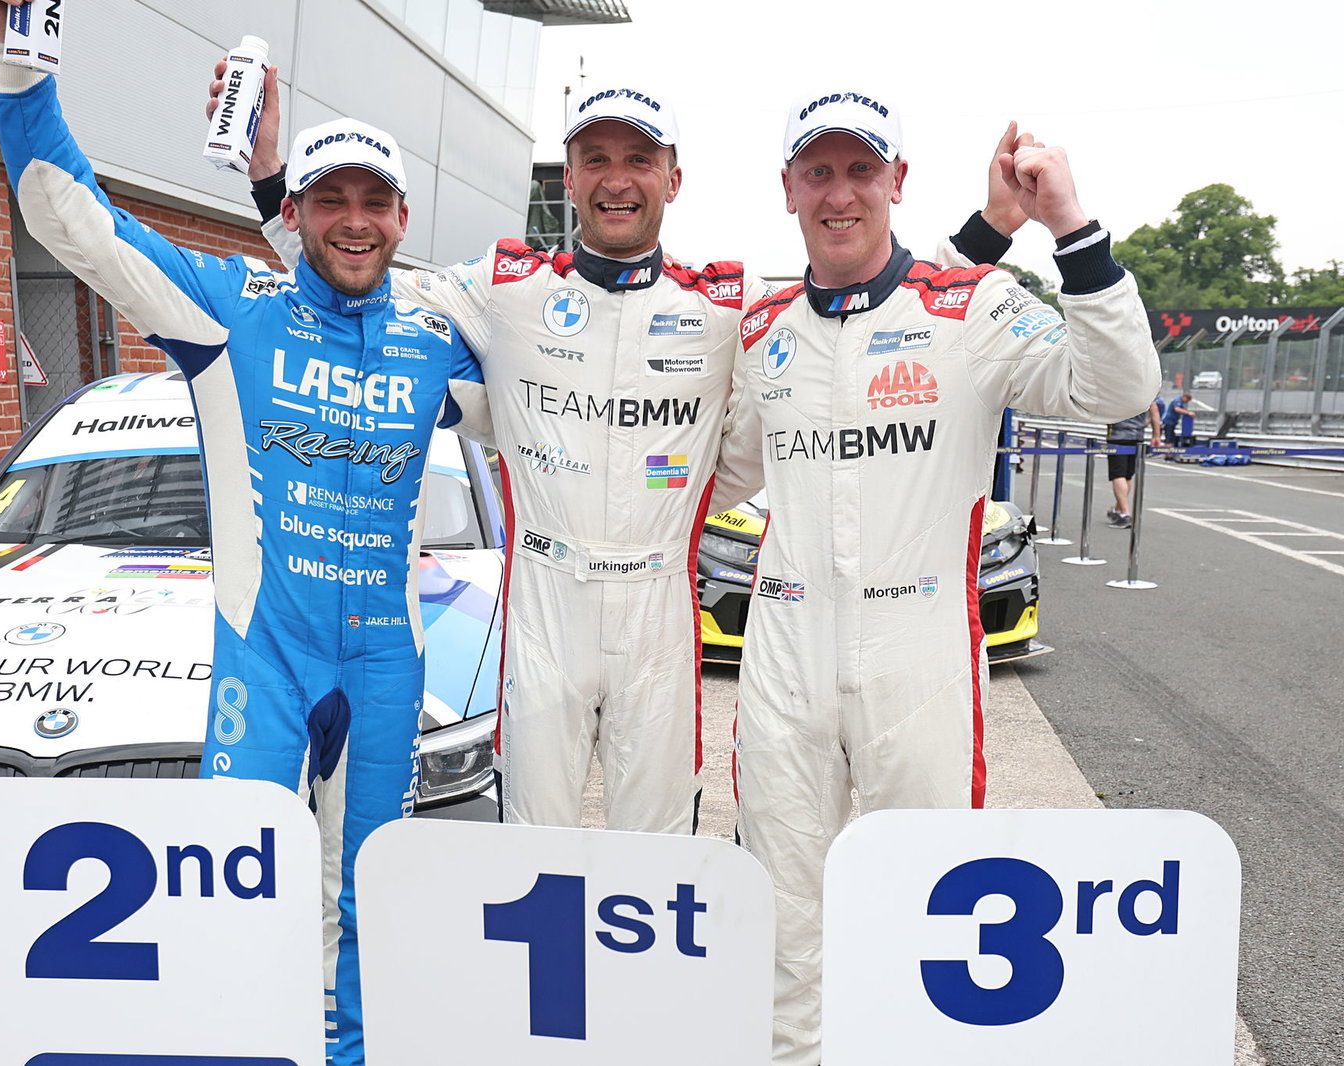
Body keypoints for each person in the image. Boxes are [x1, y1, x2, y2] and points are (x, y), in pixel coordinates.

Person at [218, 70, 1026, 834]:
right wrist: (269, 188)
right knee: (534, 843)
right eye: (594, 158)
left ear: (672, 178)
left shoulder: (723, 301)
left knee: (661, 853)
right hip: (544, 601)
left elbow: (870, 292)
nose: (616, 178)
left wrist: (985, 234)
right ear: (567, 177)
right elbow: (353, 281)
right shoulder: (505, 285)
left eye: (638, 158)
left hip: (659, 607)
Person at [0, 5, 487, 1064]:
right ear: (293, 212)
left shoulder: (439, 336)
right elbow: (69, 216)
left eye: (375, 202)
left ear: (403, 217)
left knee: (367, 903)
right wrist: (20, 58)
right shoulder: (229, 308)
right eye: (330, 199)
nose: (355, 220)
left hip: (389, 665)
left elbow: (557, 394)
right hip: (268, 654)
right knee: (237, 889)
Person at [713, 90, 1160, 1063]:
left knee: (923, 908)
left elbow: (1120, 393)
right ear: (787, 186)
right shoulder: (759, 329)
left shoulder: (977, 306)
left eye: (860, 169)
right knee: (783, 918)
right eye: (819, 171)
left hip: (918, 650)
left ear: (897, 181)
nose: (840, 193)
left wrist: (1067, 227)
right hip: (784, 645)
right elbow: (725, 468)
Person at [1108, 402, 1163, 526]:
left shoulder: (1116, 390)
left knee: (1118, 475)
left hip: (1117, 436)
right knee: (1127, 475)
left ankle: (1125, 513)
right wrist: (1156, 435)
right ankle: (1118, 509)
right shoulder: (1144, 389)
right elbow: (1154, 411)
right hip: (1137, 436)